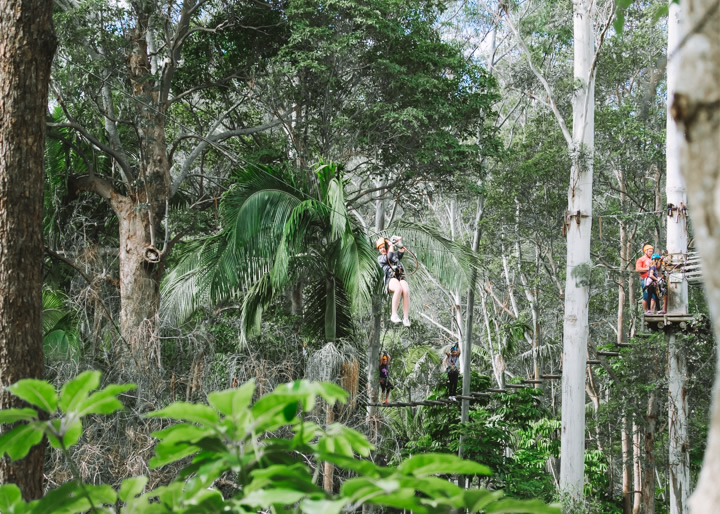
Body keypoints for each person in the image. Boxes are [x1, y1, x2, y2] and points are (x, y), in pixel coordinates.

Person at [376, 235, 411, 327]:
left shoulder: (395, 255)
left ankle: (406, 318)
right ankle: (394, 314)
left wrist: (399, 241)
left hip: (399, 277)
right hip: (390, 279)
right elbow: (389, 255)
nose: (382, 249)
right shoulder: (380, 258)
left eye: (383, 247)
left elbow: (401, 251)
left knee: (406, 291)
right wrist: (390, 244)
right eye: (380, 248)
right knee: (398, 288)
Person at [635, 243, 654, 312]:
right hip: (645, 279)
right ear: (645, 251)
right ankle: (646, 311)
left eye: (652, 251)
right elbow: (637, 269)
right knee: (646, 296)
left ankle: (651, 310)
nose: (651, 253)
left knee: (654, 296)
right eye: (650, 251)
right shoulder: (641, 259)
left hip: (653, 279)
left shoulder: (653, 259)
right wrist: (648, 269)